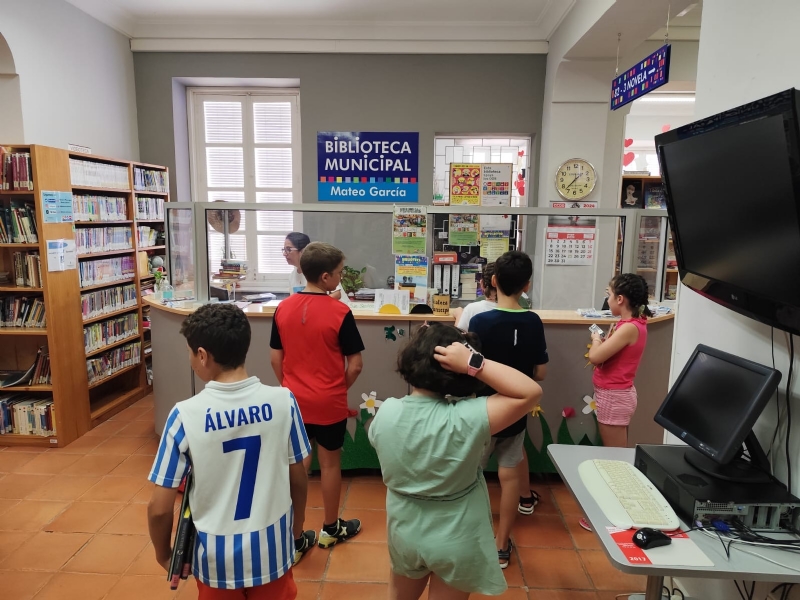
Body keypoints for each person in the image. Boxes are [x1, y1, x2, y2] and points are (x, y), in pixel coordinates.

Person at [147, 304, 316, 600]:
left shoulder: (184, 416)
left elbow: (160, 508)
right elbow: (298, 477)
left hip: (216, 560)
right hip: (272, 550)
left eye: (190, 353)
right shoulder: (283, 401)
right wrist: (296, 529)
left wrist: (165, 554)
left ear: (202, 355)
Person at [368, 323, 542, 600]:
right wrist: (475, 362)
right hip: (457, 536)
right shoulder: (468, 417)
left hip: (404, 533)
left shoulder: (387, 412)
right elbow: (529, 391)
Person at [270, 242, 365, 549]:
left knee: (298, 465)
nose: (340, 278)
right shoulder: (340, 311)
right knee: (330, 465)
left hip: (293, 401)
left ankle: (295, 538)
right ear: (325, 278)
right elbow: (356, 364)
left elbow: (276, 359)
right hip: (329, 402)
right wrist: (336, 389)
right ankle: (331, 527)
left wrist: (290, 387)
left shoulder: (283, 308)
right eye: (338, 273)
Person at [468, 250, 548, 569]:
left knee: (472, 477)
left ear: (493, 281)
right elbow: (540, 374)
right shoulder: (533, 321)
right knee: (510, 476)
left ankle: (470, 540)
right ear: (527, 285)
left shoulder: (479, 321)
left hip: (483, 411)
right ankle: (502, 546)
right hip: (515, 413)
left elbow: (468, 369)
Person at [580, 273, 652, 532]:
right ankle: (618, 508)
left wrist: (597, 339)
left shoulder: (630, 327)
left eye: (609, 295)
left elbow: (597, 356)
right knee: (615, 455)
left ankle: (615, 513)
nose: (607, 299)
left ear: (620, 299)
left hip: (615, 396)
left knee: (615, 460)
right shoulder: (630, 324)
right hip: (614, 394)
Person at [283, 232, 345, 301]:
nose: (284, 254)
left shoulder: (316, 269)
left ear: (303, 251)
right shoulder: (292, 276)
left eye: (288, 249)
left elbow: (337, 294)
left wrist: (313, 304)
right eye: (284, 250)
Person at [452, 262, 497, 331]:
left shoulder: (472, 309)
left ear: (481, 284)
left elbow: (460, 337)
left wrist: (459, 316)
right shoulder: (513, 310)